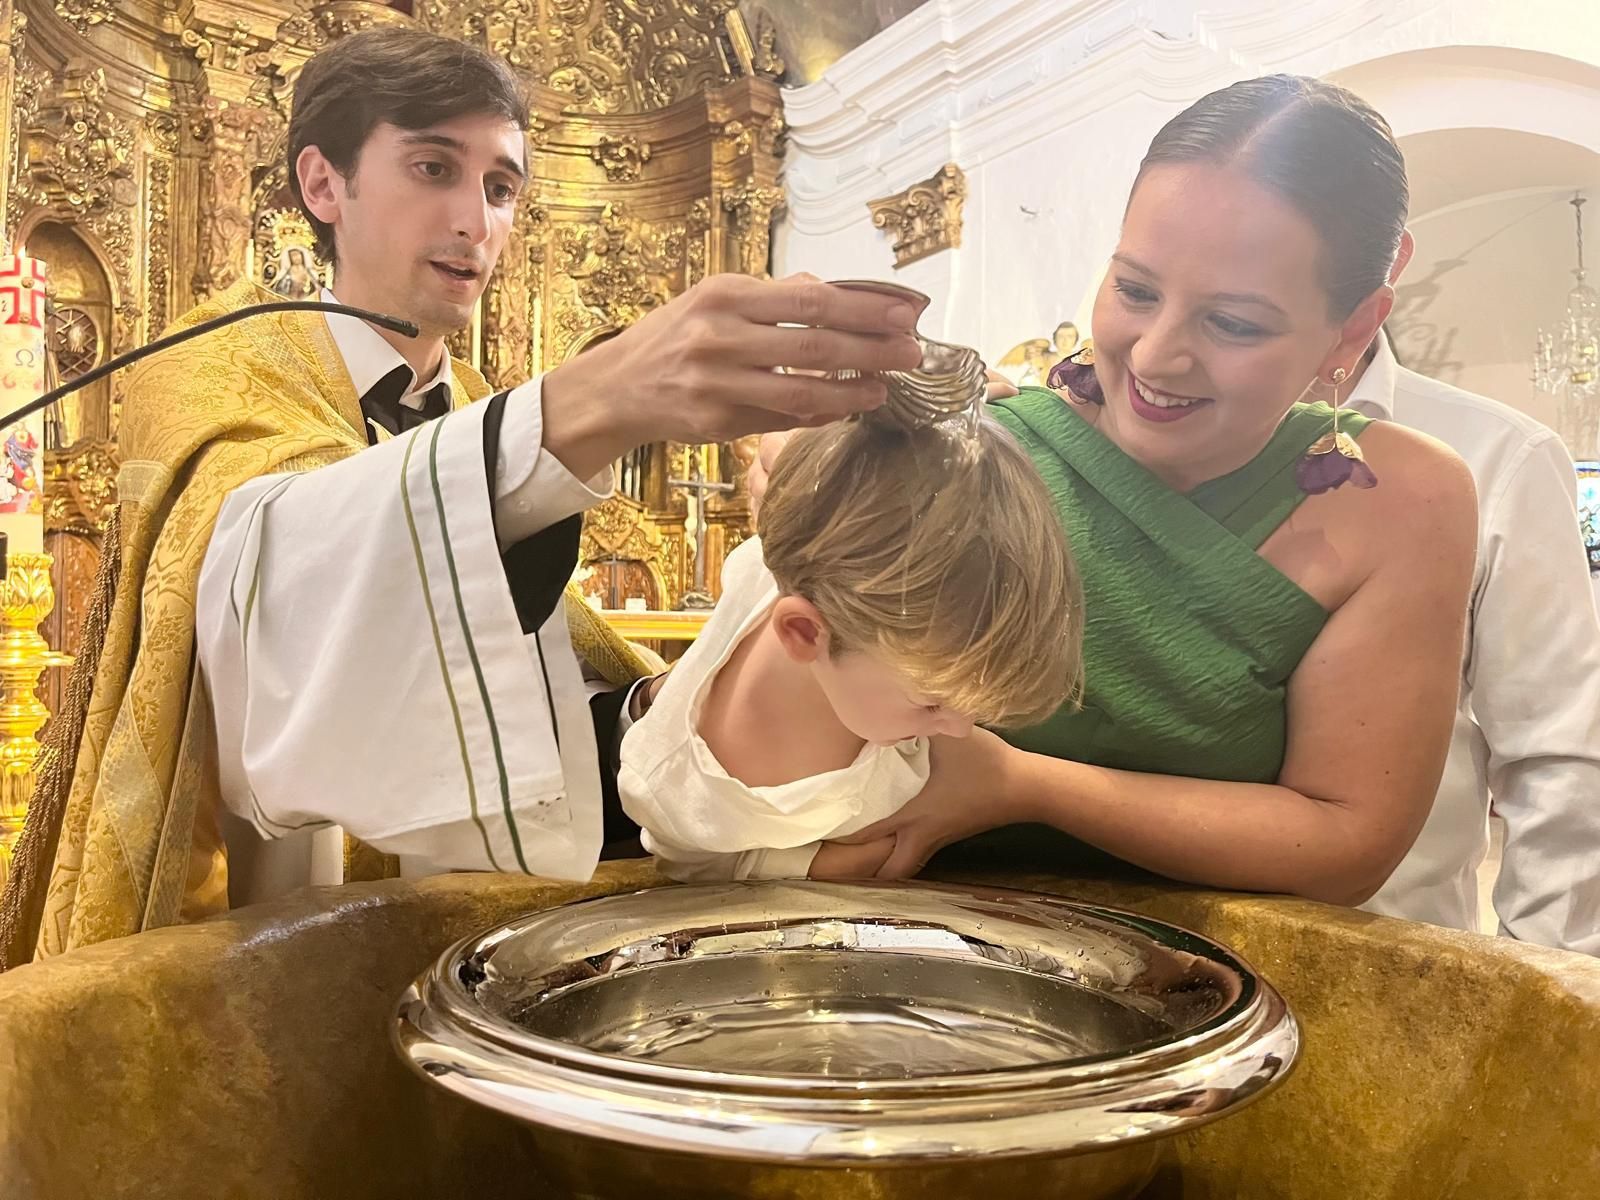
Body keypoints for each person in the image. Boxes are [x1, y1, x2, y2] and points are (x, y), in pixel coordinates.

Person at [0, 28, 925, 960]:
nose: (476, 222)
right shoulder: (212, 362)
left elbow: (538, 668)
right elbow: (264, 600)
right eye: (433, 167)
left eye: (501, 188)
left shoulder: (485, 404)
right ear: (324, 185)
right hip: (266, 907)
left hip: (468, 918)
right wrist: (590, 404)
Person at [754, 75, 1478, 907]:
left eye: (1234, 323)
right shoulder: (973, 451)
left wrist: (1022, 784)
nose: (1157, 356)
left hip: (1229, 989)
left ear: (1354, 326)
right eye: (1135, 290)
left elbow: (1347, 844)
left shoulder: (1407, 502)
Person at [619, 412, 1083, 882]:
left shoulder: (816, 566)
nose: (961, 730)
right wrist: (801, 866)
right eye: (932, 702)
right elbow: (684, 856)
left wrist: (942, 408)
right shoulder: (730, 790)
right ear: (804, 633)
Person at [1342, 319, 1600, 953]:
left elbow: (1556, 751)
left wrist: (1541, 994)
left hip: (1400, 946)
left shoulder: (1499, 451)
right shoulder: (1135, 431)